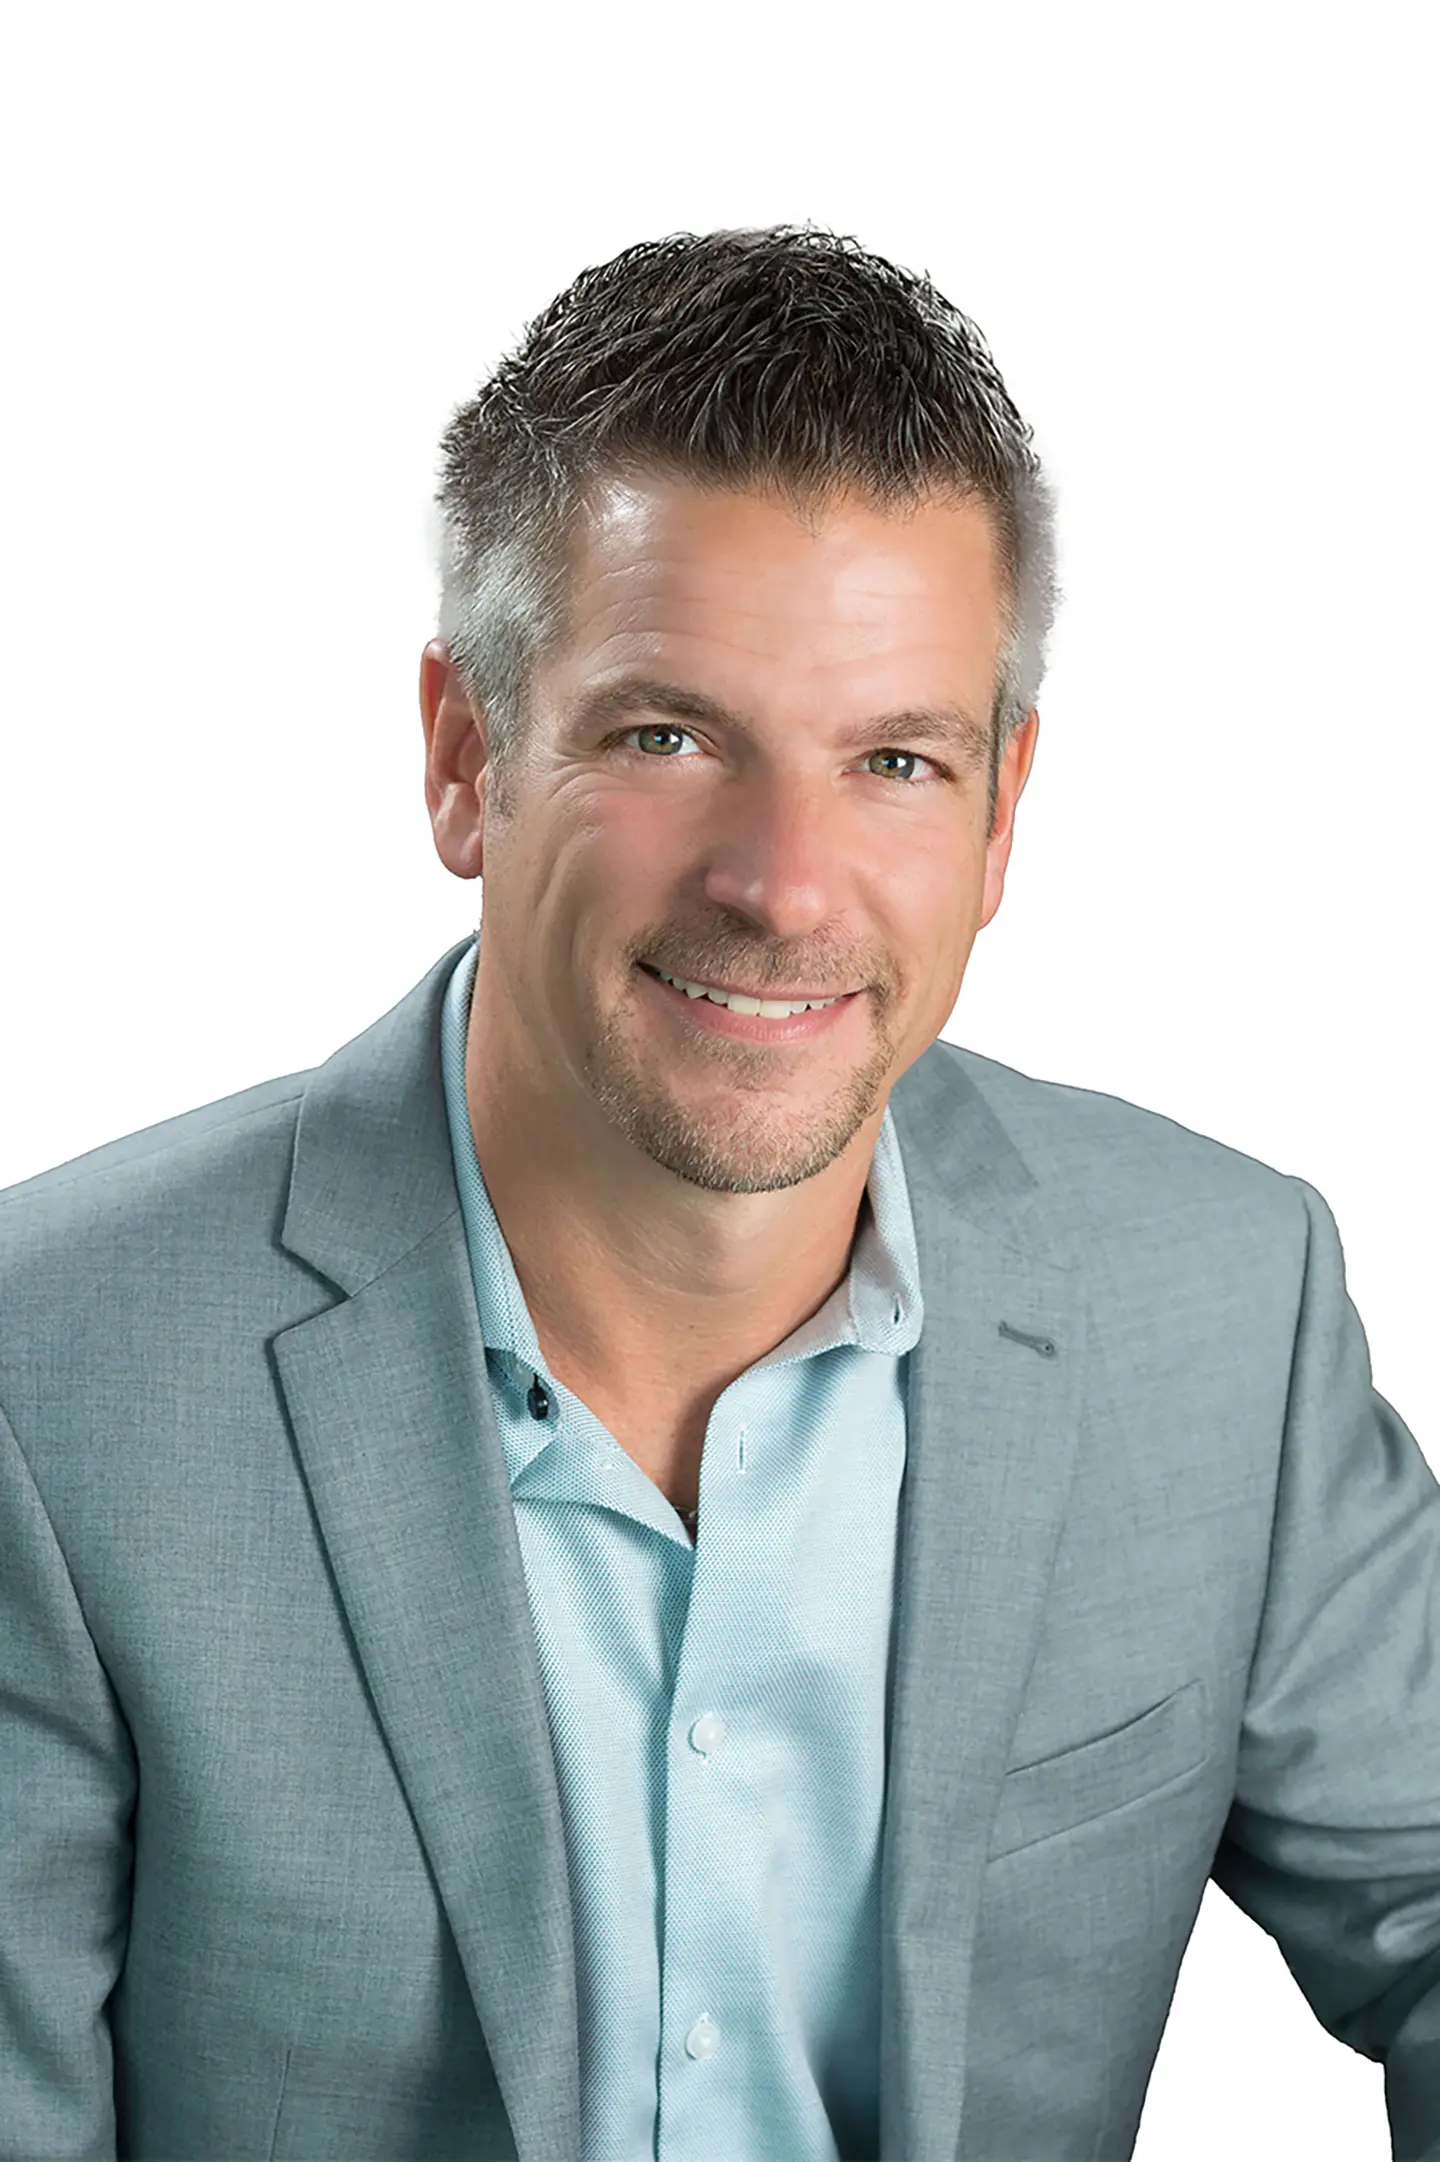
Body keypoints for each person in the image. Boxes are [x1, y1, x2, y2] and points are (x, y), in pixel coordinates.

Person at [1, 224, 1435, 2162]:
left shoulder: (1223, 1310)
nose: (782, 881)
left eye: (896, 760)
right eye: (667, 737)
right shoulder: (51, 1388)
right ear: (465, 757)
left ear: (1002, 814)